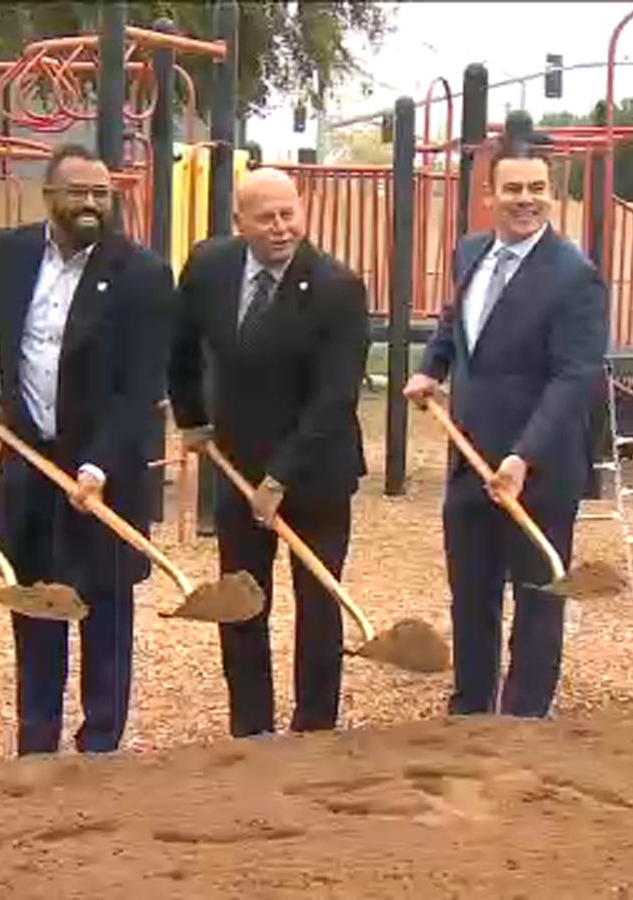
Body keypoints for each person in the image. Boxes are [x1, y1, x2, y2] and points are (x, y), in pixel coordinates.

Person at [0, 143, 174, 757]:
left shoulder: (142, 273)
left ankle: (100, 744)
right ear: (49, 197)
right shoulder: (5, 254)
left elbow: (142, 384)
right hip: (29, 458)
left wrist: (99, 465)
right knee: (38, 603)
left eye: (101, 192)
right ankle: (36, 741)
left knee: (107, 609)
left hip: (106, 468)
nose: (92, 203)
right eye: (78, 192)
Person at [403, 137, 609, 719]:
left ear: (553, 194)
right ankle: (470, 712)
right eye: (514, 189)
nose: (526, 200)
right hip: (469, 456)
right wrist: (430, 368)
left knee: (538, 599)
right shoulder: (471, 251)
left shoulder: (575, 277)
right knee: (472, 595)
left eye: (538, 189)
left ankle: (523, 723)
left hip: (537, 469)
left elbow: (576, 378)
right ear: (490, 194)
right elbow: (456, 321)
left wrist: (523, 457)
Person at [167, 167, 371, 739]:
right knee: (242, 602)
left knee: (317, 603)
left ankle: (313, 729)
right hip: (237, 467)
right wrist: (193, 421)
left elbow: (336, 396)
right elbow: (180, 348)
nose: (282, 228)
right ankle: (250, 729)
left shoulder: (336, 286)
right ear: (240, 223)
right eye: (267, 218)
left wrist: (281, 478)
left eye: (289, 214)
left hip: (316, 471)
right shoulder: (210, 267)